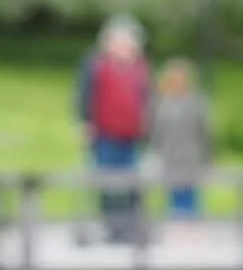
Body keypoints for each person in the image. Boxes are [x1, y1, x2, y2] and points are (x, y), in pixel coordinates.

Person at [76, 15, 151, 240]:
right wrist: (84, 122)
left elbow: (148, 99)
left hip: (132, 135)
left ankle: (131, 227)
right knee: (107, 181)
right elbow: (84, 95)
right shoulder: (96, 65)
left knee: (133, 183)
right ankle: (112, 227)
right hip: (105, 133)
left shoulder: (140, 68)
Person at [149, 58, 213, 219]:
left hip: (190, 157)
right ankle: (176, 230)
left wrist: (208, 159)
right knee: (173, 198)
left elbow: (204, 133)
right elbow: (156, 132)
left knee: (189, 198)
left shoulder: (196, 102)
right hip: (169, 157)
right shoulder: (162, 102)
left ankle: (189, 230)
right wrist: (154, 154)